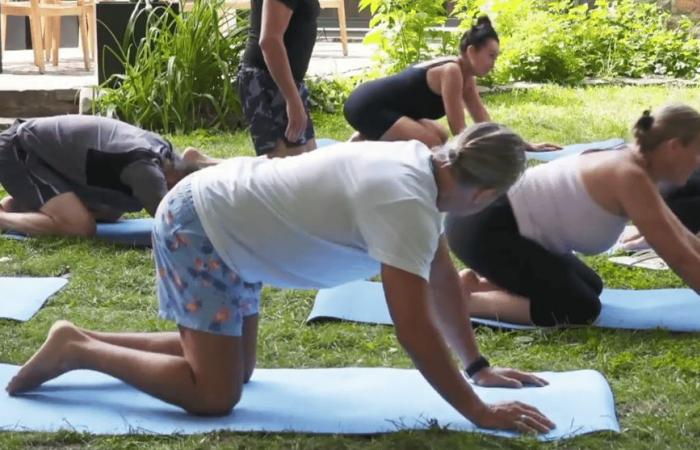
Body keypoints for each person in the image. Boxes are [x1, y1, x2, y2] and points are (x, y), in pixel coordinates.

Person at [7, 123, 555, 435]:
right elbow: (413, 329)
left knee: (236, 371)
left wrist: (478, 367)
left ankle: (79, 341)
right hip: (202, 227)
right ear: (485, 193)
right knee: (215, 394)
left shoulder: (423, 167)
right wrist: (476, 411)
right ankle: (80, 350)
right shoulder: (406, 200)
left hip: (237, 229)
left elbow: (440, 278)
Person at [445, 105, 700, 326]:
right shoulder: (628, 176)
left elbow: (681, 237)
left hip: (492, 223)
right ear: (674, 147)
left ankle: (476, 284)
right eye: (698, 152)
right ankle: (462, 303)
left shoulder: (635, 167)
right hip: (484, 228)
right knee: (578, 308)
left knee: (591, 287)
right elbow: (679, 257)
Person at [343, 16, 558, 151]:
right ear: (471, 51)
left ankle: (368, 136)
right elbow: (460, 129)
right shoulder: (452, 71)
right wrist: (487, 155)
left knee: (440, 135)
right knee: (433, 145)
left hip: (388, 109)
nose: (494, 63)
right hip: (366, 105)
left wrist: (522, 144)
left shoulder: (467, 77)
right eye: (491, 55)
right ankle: (366, 139)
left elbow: (483, 121)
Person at [0, 115, 201, 237]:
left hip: (47, 155)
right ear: (174, 180)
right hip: (18, 151)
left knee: (112, 210)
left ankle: (23, 204)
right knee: (80, 227)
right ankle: (4, 219)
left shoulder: (165, 153)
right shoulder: (145, 170)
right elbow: (173, 224)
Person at [238, 0, 319, 158]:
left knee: (309, 164)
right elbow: (269, 41)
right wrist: (292, 99)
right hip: (266, 81)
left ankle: (200, 160)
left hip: (285, 80)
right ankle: (200, 164)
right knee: (287, 172)